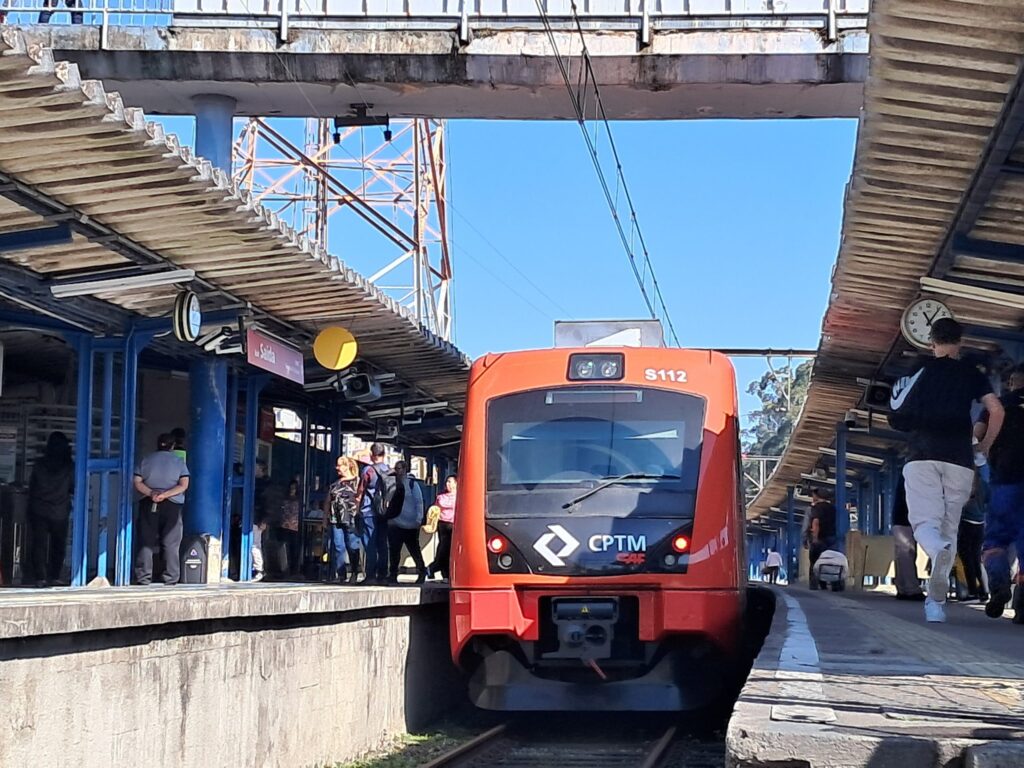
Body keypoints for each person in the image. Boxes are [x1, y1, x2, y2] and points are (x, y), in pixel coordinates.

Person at [890, 317, 1004, 623]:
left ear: (932, 342)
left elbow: (896, 412)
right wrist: (984, 446)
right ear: (960, 342)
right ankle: (935, 604)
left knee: (923, 524)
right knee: (949, 526)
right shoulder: (971, 372)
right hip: (960, 459)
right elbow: (996, 410)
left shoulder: (918, 369)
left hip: (922, 455)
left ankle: (935, 570)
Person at [976, 363, 1024, 621]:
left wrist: (984, 449)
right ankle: (1023, 606)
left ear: (1012, 382)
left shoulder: (997, 406)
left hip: (1005, 480)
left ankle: (998, 583)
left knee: (995, 541)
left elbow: (978, 434)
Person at [133, 433, 190, 585]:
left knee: (146, 540)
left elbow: (137, 481)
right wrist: (166, 494)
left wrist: (152, 493)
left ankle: (143, 577)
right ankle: (170, 577)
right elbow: (184, 484)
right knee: (171, 542)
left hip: (148, 503)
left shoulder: (146, 459)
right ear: (173, 446)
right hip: (172, 504)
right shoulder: (179, 462)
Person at [27, 431, 74, 588]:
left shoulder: (39, 464)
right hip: (60, 511)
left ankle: (39, 577)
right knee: (58, 545)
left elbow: (32, 486)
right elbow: (73, 487)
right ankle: (54, 576)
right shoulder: (69, 466)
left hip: (38, 509)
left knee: (39, 544)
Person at [356, 443, 391, 585]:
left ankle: (370, 575)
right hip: (384, 512)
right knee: (382, 544)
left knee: (370, 543)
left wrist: (357, 509)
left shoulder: (368, 470)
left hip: (369, 511)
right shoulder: (389, 471)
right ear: (384, 454)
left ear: (371, 455)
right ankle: (383, 575)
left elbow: (360, 491)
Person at [387, 461, 427, 584]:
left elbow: (419, 502)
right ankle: (393, 574)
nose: (397, 471)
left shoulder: (412, 484)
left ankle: (422, 571)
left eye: (399, 468)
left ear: (405, 469)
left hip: (410, 524)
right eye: (396, 468)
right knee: (394, 551)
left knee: (414, 550)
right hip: (395, 522)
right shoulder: (392, 483)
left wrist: (419, 519)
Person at [324, 456, 361, 584]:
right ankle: (341, 574)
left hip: (351, 518)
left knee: (352, 545)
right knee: (338, 545)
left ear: (347, 466)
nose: (337, 468)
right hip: (336, 519)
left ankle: (354, 572)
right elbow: (328, 501)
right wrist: (325, 519)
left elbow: (360, 498)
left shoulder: (357, 482)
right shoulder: (335, 484)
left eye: (339, 465)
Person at [891, 474, 925, 601]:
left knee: (902, 555)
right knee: (907, 553)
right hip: (906, 519)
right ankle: (911, 589)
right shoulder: (914, 476)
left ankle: (902, 588)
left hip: (900, 518)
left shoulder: (905, 475)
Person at [957, 476, 987, 602]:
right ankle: (983, 591)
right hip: (980, 523)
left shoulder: (964, 482)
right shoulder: (983, 482)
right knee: (976, 559)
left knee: (967, 559)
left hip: (966, 522)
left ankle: (973, 591)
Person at [806, 487, 837, 590]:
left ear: (817, 496)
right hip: (832, 537)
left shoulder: (817, 507)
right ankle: (833, 583)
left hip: (821, 538)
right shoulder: (832, 508)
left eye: (813, 495)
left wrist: (815, 537)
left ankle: (815, 584)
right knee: (831, 561)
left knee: (815, 561)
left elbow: (816, 522)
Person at [427, 474, 457, 581]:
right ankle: (443, 573)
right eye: (447, 482)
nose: (448, 484)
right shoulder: (441, 496)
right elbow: (436, 509)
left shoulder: (459, 496)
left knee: (448, 549)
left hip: (454, 524)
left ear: (456, 483)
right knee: (443, 547)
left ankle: (434, 568)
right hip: (442, 524)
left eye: (450, 482)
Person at [278, 480, 302, 579]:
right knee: (284, 549)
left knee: (294, 549)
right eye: (291, 488)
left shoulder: (299, 500)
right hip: (285, 526)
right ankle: (284, 569)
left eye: (294, 488)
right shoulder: (284, 499)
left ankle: (294, 570)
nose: (292, 490)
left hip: (295, 527)